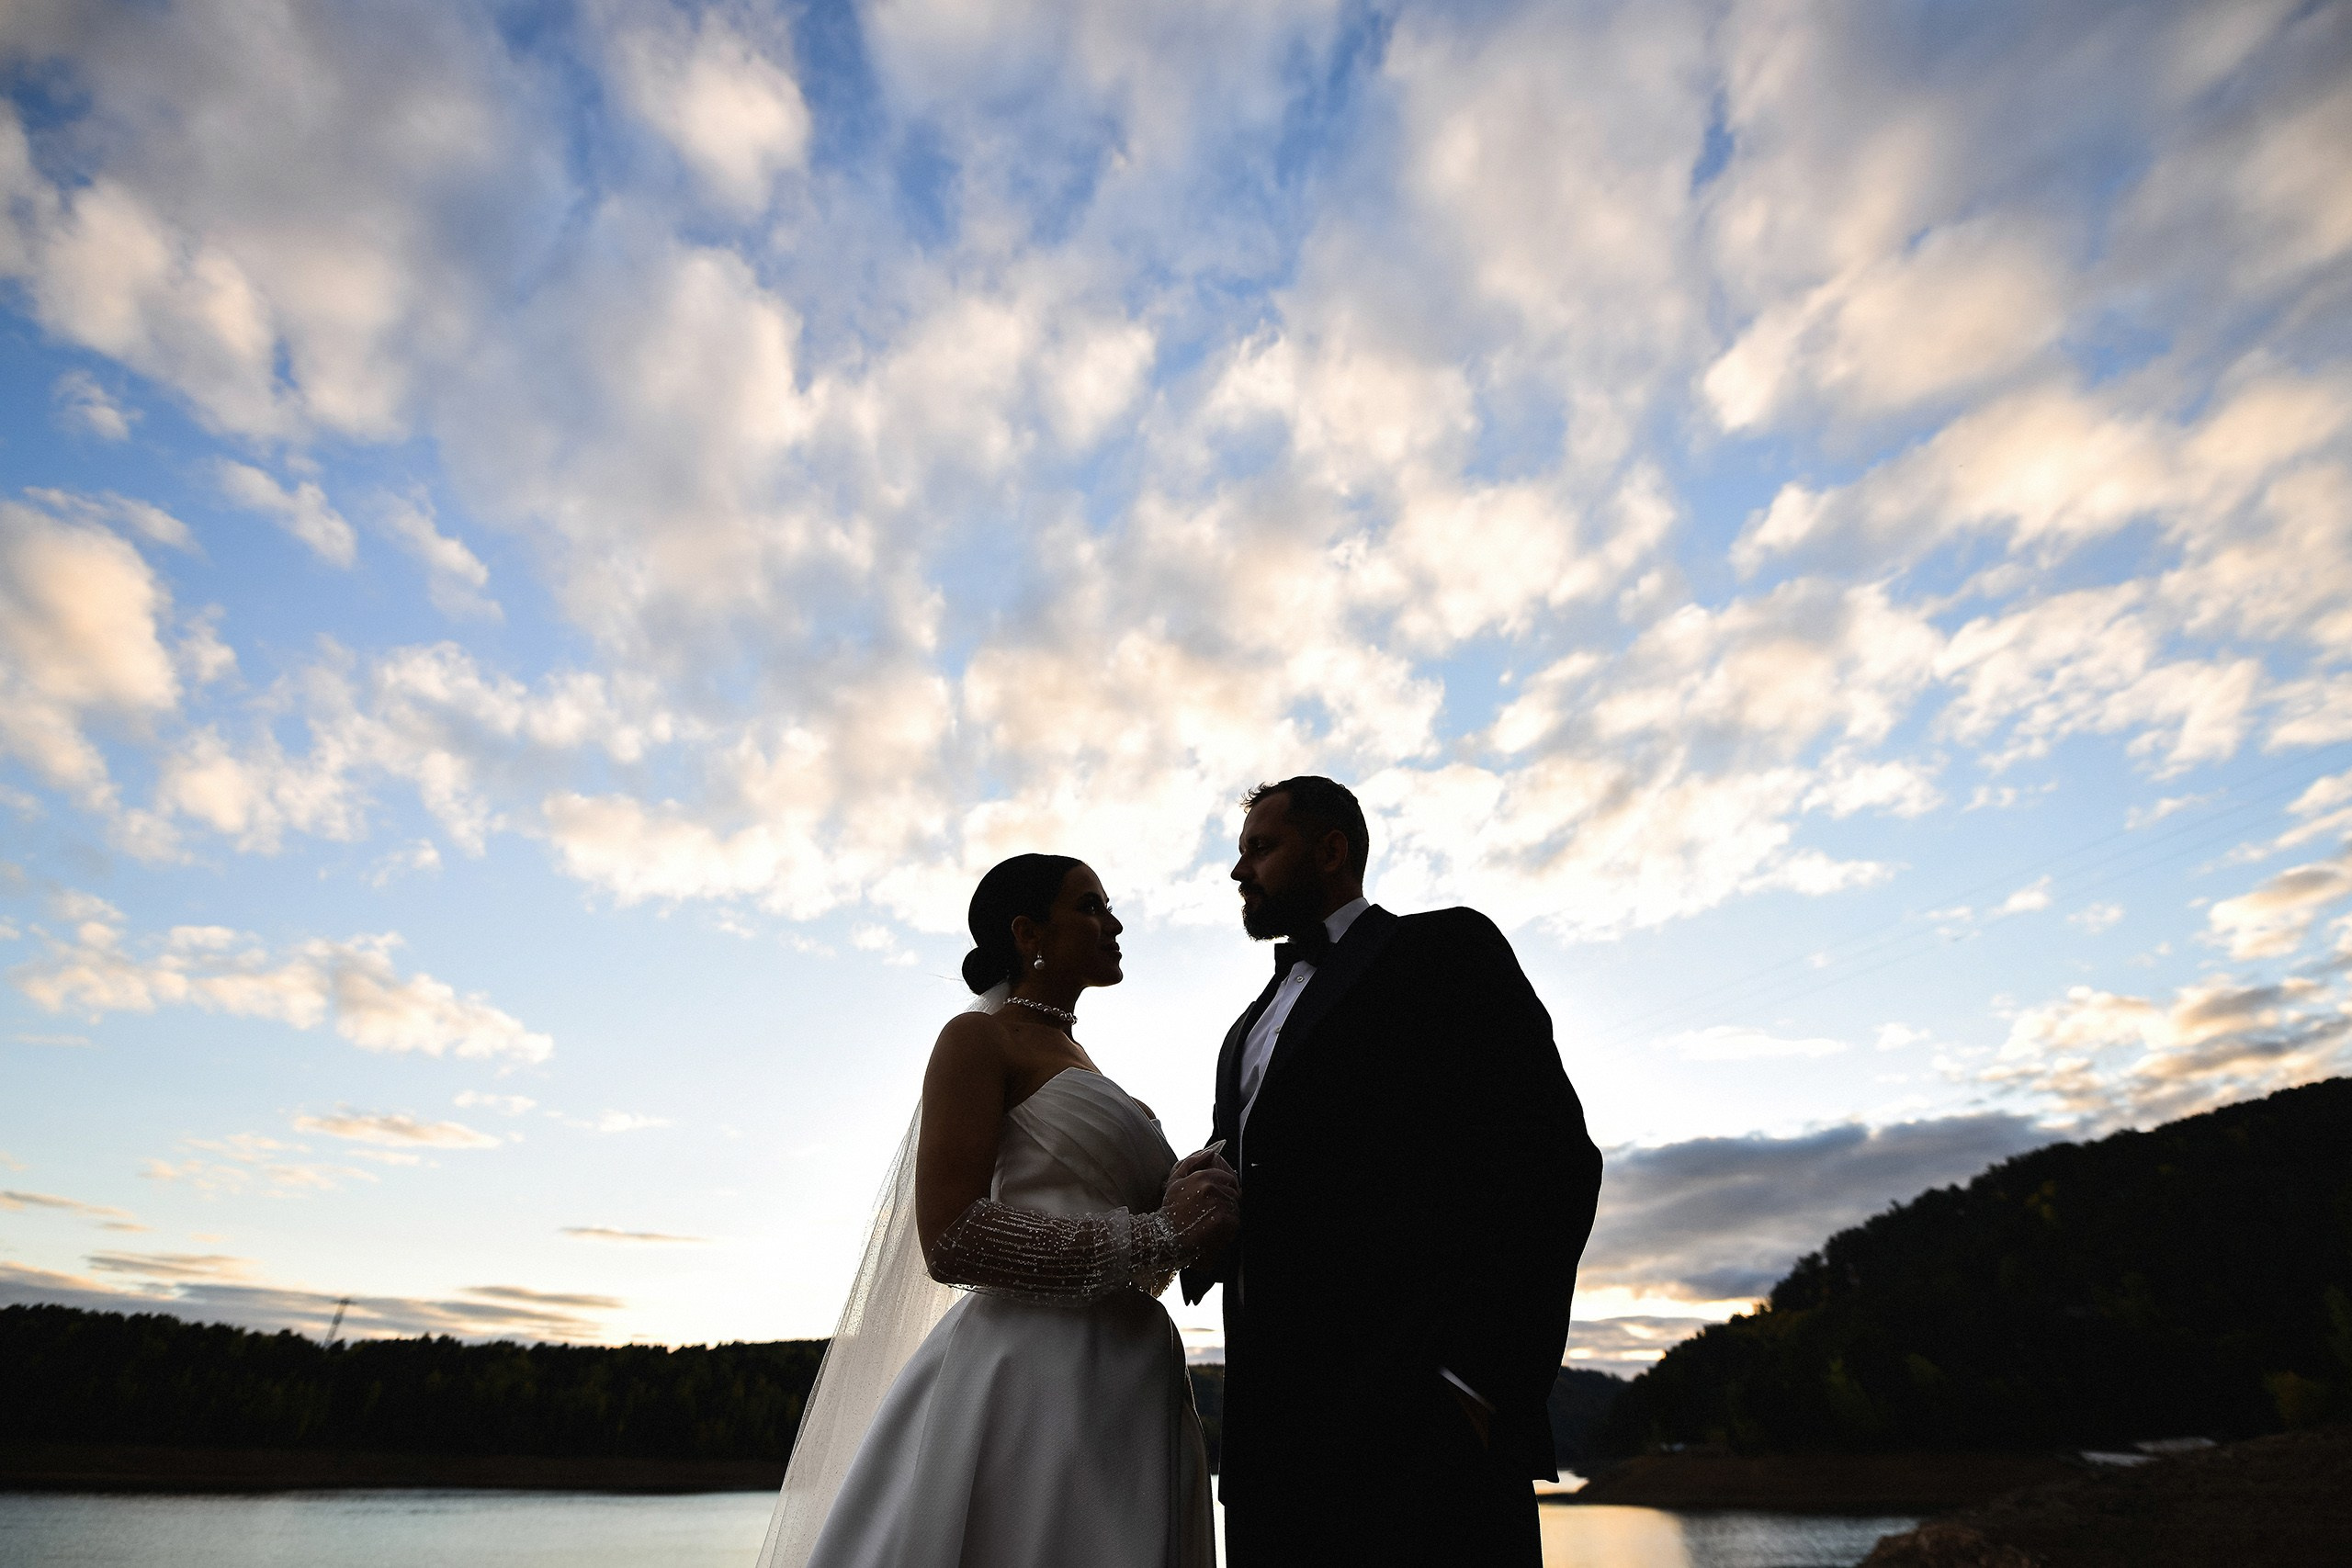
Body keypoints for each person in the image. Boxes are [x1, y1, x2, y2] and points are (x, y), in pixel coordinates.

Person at [756, 853, 1237, 1568]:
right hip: (1033, 1377)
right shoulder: (979, 1039)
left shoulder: (1084, 1061)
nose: (1114, 923)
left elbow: (1146, 1252)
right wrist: (1158, 1231)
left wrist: (1188, 1212)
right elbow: (951, 1236)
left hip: (1132, 1378)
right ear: (1027, 932)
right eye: (1090, 906)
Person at [1182, 776, 1604, 1566]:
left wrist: (1478, 1382)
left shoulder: (1446, 951)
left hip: (1425, 1440)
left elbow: (1551, 1159)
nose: (1240, 871)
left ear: (1331, 850)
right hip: (1272, 1453)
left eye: (1261, 848)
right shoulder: (1247, 1026)